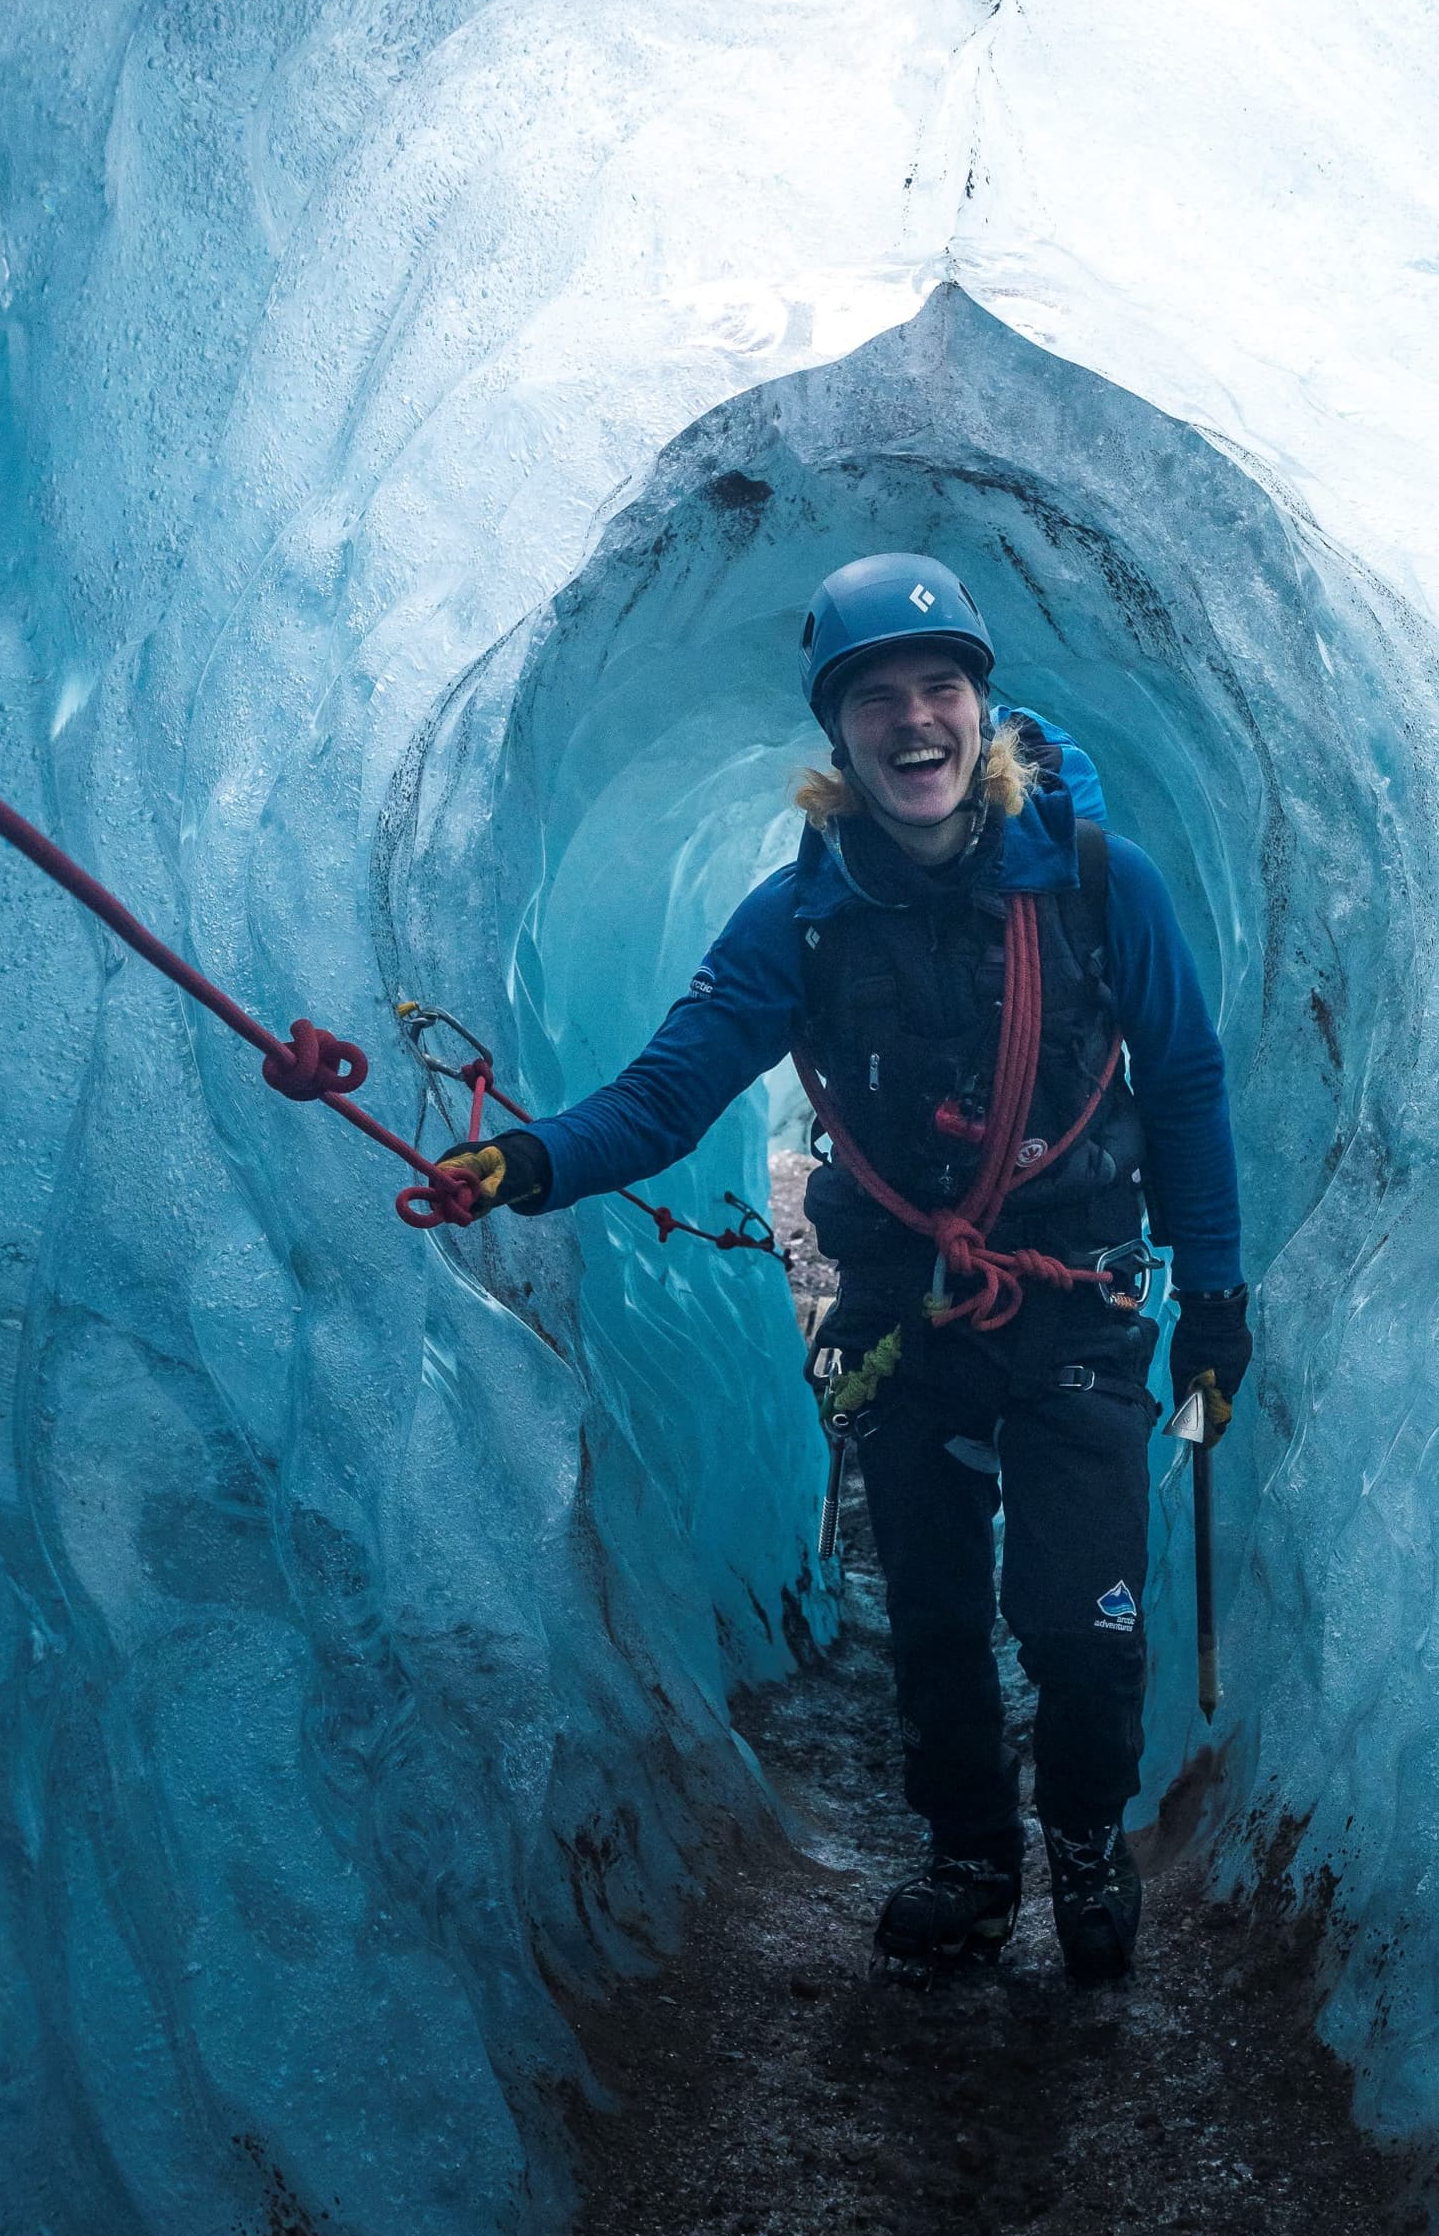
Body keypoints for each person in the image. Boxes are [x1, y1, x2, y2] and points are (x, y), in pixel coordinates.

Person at [439, 556, 1252, 1986]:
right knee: (934, 1614)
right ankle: (970, 1861)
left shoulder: (1099, 885)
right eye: (877, 698)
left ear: (983, 710)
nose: (915, 721)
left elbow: (1183, 1083)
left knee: (1082, 1617)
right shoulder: (799, 920)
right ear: (838, 737)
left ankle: (1082, 1839)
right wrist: (527, 1163)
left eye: (941, 688)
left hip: (1078, 1297)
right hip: (906, 1313)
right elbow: (669, 1091)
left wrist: (1218, 1305)